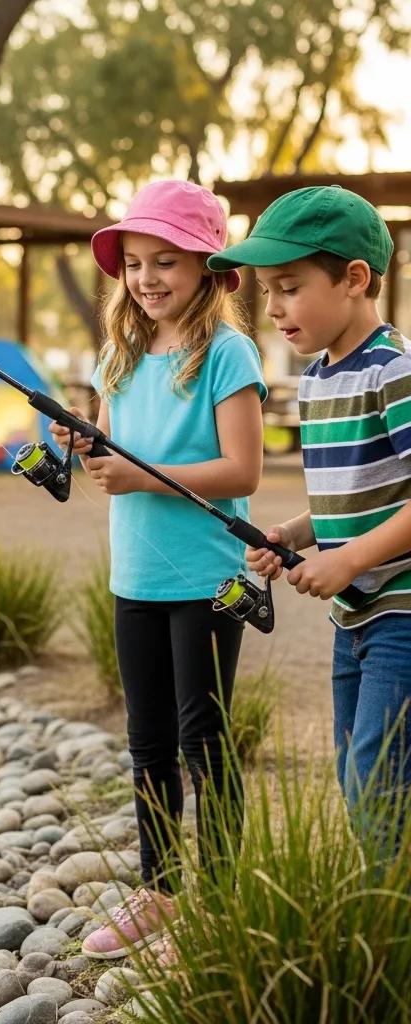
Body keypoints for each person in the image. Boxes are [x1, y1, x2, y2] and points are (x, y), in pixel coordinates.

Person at [51, 180, 267, 960]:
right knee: (146, 743)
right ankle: (161, 891)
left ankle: (221, 899)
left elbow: (241, 469)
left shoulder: (228, 352)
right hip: (132, 578)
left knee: (202, 740)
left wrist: (141, 474)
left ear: (207, 266)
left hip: (206, 581)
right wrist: (86, 446)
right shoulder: (121, 352)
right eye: (135, 263)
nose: (146, 278)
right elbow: (113, 450)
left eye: (165, 261)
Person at [218, 186, 411, 857]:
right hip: (352, 621)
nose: (272, 308)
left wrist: (351, 559)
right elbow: (359, 489)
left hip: (399, 613)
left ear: (355, 278)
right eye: (268, 290)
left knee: (377, 779)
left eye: (290, 287)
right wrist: (298, 534)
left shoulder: (394, 371)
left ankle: (389, 925)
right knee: (355, 773)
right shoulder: (320, 379)